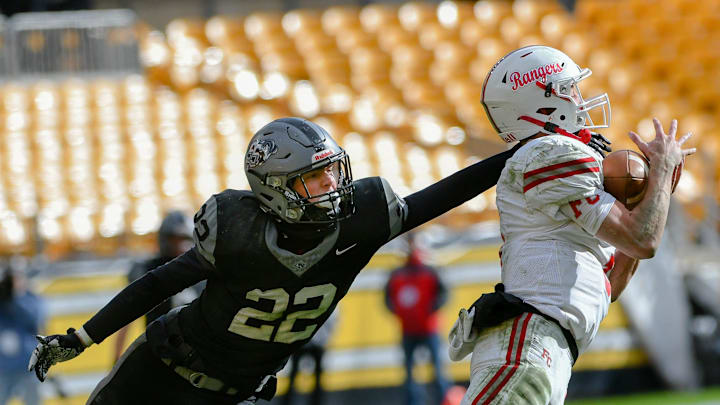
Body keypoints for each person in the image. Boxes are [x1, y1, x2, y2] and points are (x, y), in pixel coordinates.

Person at [28, 116, 610, 405]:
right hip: (160, 374)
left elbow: (442, 194)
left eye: (333, 171)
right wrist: (84, 334)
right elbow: (158, 283)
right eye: (314, 179)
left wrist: (525, 152)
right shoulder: (235, 229)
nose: (333, 187)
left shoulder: (361, 219)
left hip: (244, 391)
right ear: (275, 188)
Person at [447, 45, 694, 405]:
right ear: (542, 102)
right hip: (528, 342)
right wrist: (660, 179)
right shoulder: (550, 151)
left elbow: (611, 285)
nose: (580, 98)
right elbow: (644, 241)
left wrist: (655, 195)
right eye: (569, 89)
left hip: (546, 347)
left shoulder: (554, 160)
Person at [112, 210, 202, 362]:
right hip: (157, 352)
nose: (180, 245)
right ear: (164, 239)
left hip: (194, 354)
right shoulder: (148, 270)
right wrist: (116, 358)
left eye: (183, 239)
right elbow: (126, 318)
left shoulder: (201, 271)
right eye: (175, 239)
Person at [384, 233, 450, 405]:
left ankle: (442, 400)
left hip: (429, 329)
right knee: (410, 373)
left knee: (436, 371)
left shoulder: (430, 271)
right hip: (408, 329)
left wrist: (429, 310)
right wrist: (401, 313)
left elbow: (443, 295)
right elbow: (387, 298)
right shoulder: (397, 274)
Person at [0, 258, 46, 405]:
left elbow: (34, 319)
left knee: (33, 401)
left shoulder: (32, 299)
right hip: (3, 366)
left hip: (27, 365)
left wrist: (14, 298)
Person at [282, 309, 338, 405]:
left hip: (309, 343)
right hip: (306, 343)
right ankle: (289, 401)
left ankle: (313, 401)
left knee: (315, 378)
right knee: (295, 375)